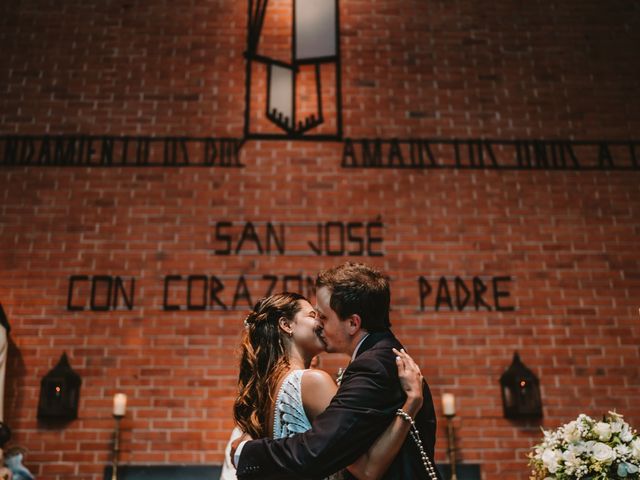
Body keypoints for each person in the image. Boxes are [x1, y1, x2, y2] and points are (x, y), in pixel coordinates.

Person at [233, 263, 441, 479]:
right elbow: (360, 466)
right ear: (286, 326)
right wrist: (411, 404)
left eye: (322, 316)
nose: (319, 324)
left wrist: (246, 452)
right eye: (314, 316)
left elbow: (331, 455)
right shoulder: (317, 379)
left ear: (353, 323)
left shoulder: (373, 365)